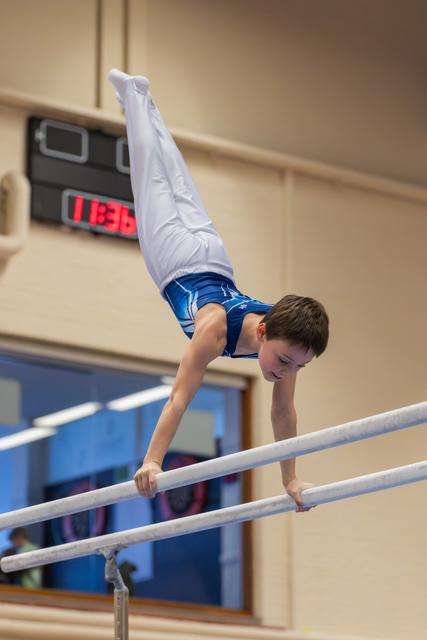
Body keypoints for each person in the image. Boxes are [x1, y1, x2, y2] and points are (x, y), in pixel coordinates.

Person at [107, 70, 329, 512]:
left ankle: (143, 98)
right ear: (263, 332)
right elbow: (178, 398)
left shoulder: (287, 337)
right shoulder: (212, 332)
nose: (286, 372)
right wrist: (152, 461)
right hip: (177, 261)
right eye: (286, 361)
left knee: (175, 176)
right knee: (153, 180)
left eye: (297, 366)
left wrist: (291, 479)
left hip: (213, 255)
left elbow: (284, 414)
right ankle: (133, 97)